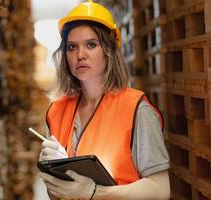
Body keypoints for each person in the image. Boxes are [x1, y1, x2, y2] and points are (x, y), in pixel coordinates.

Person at [38, 0, 170, 199]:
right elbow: (56, 194)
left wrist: (94, 192)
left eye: (91, 45)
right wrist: (53, 172)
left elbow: (160, 190)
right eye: (72, 47)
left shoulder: (135, 109)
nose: (80, 55)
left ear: (108, 51)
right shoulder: (57, 111)